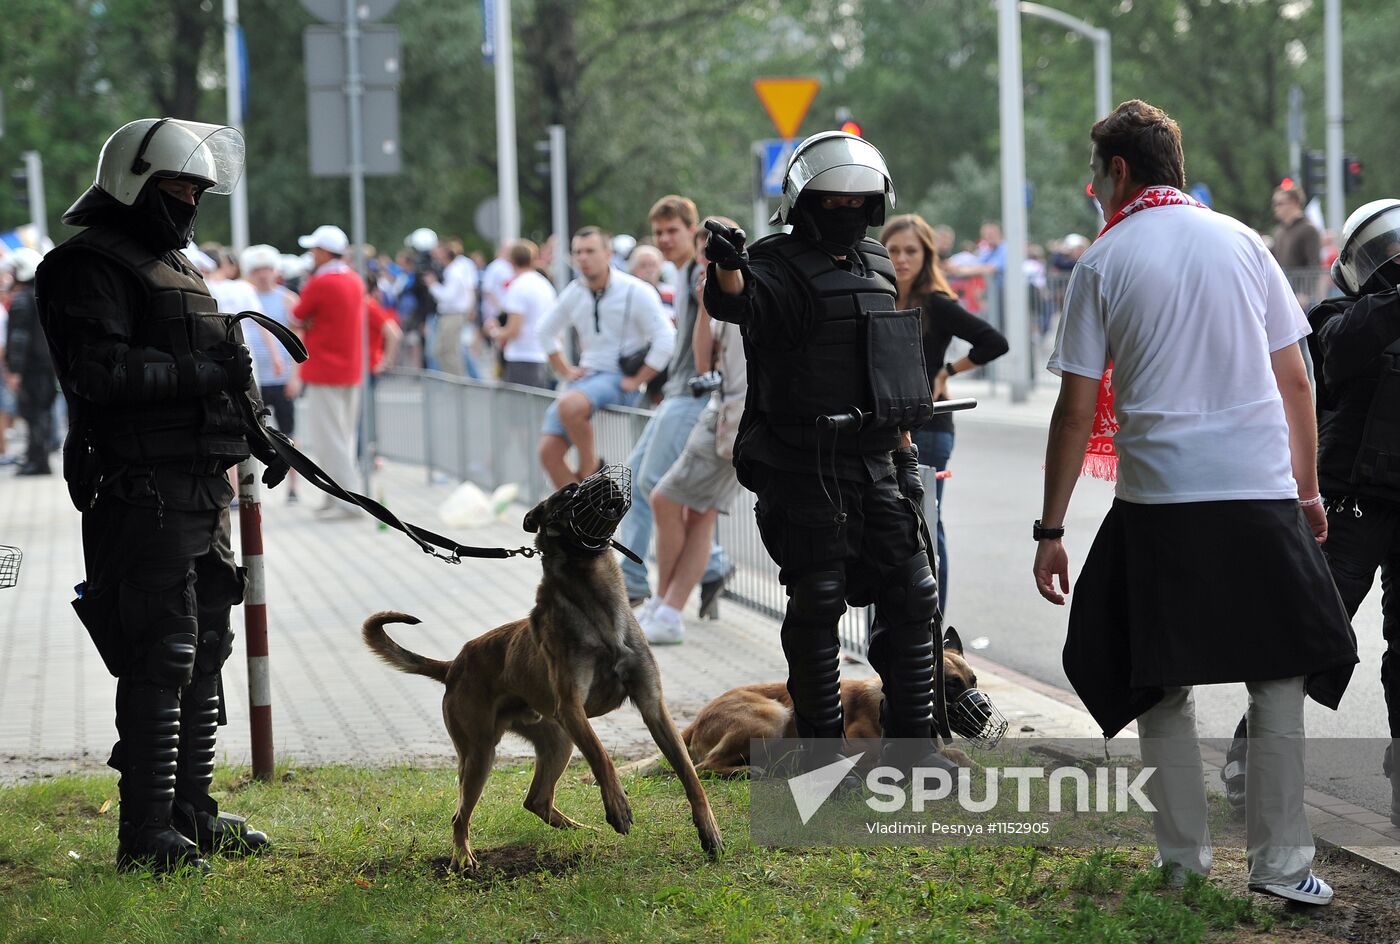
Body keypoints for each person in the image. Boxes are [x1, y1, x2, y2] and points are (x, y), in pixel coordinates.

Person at [1033, 100, 1357, 905]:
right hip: (1258, 494)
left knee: (1160, 683)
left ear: (1118, 171)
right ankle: (1283, 870)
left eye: (1095, 174)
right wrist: (1307, 491)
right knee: (1279, 679)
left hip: (1160, 502)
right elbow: (1296, 381)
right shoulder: (1245, 242)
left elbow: (1076, 411)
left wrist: (1051, 529)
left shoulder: (1103, 262)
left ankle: (1183, 863)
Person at [34, 117, 284, 874]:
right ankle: (145, 836)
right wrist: (204, 379)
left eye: (199, 189)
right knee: (161, 654)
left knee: (206, 647)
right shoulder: (88, 266)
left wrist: (260, 427)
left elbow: (218, 352)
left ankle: (190, 815)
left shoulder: (175, 262)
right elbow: (98, 377)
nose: (191, 201)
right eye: (179, 186)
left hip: (197, 486)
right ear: (135, 182)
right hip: (140, 490)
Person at [703, 130, 951, 776]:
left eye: (857, 200)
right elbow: (738, 299)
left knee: (913, 594)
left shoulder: (873, 262)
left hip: (876, 459)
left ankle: (915, 747)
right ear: (804, 200)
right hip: (803, 464)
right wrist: (726, 262)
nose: (845, 211)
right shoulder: (775, 262)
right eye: (831, 200)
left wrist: (902, 452)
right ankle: (818, 759)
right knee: (819, 597)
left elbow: (885, 361)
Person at [1221, 199, 1400, 827]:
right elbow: (1342, 350)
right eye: (1383, 253)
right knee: (1309, 634)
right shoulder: (1336, 315)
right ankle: (1254, 752)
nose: (1392, 262)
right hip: (1349, 503)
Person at [881, 214, 1007, 608]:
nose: (901, 258)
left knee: (927, 526)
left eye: (911, 251)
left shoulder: (936, 303)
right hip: (882, 426)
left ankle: (932, 627)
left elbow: (993, 342)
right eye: (894, 249)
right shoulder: (872, 296)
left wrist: (947, 371)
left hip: (930, 427)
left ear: (926, 255)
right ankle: (885, 628)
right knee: (884, 525)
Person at [618, 196, 733, 615]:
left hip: (692, 395)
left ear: (691, 231)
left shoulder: (701, 273)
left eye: (673, 231)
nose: (665, 239)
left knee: (655, 488)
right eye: (659, 232)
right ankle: (707, 567)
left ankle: (646, 587)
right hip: (679, 392)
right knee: (637, 479)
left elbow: (717, 334)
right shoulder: (682, 272)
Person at [642, 217, 748, 645]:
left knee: (665, 499)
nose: (713, 258)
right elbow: (703, 365)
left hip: (737, 420)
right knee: (695, 514)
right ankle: (664, 606)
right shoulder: (719, 294)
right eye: (708, 251)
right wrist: (707, 302)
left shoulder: (749, 289)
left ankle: (666, 608)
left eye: (721, 250)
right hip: (725, 414)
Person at [536, 226, 675, 488]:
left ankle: (591, 471)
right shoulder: (575, 291)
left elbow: (667, 338)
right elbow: (544, 331)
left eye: (590, 251)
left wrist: (638, 380)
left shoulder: (636, 290)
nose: (583, 258)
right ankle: (581, 519)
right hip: (586, 378)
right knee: (548, 452)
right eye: (577, 252)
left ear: (608, 253)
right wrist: (564, 370)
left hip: (618, 377)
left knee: (569, 405)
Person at [291, 224, 365, 518]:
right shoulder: (355, 280)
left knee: (329, 439)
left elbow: (297, 315)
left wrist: (308, 324)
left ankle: (349, 502)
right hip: (350, 369)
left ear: (324, 252)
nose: (312, 255)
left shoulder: (321, 283)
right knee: (344, 437)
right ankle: (337, 498)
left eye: (315, 250)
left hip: (324, 368)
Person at [242, 244, 301, 501]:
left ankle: (294, 487)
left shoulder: (288, 299)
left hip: (282, 377)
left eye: (267, 268)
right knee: (254, 432)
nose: (263, 274)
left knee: (290, 432)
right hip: (255, 378)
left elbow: (300, 340)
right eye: (257, 270)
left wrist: (296, 376)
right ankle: (252, 488)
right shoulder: (245, 297)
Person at [3, 247, 56, 475]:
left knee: (34, 414)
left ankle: (37, 461)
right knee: (41, 414)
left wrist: (15, 371)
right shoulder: (42, 295)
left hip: (32, 368)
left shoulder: (23, 300)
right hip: (46, 366)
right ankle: (37, 458)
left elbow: (19, 339)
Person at [488, 239, 555, 389]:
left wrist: (494, 332)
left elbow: (513, 330)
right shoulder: (544, 283)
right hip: (542, 354)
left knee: (519, 410)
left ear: (511, 261)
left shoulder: (518, 286)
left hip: (522, 356)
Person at [425, 238, 477, 377]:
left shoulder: (454, 271)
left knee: (450, 352)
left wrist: (432, 285)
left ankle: (458, 384)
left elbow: (448, 296)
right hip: (450, 314)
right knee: (442, 351)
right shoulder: (453, 269)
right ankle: (455, 382)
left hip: (453, 315)